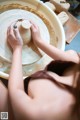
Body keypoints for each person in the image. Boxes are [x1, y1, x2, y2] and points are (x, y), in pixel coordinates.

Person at [0, 21, 80, 120]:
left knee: (4, 114)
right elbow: (72, 60)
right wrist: (39, 41)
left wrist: (17, 48)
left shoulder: (44, 112)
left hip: (16, 113)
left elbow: (16, 91)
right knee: (72, 54)